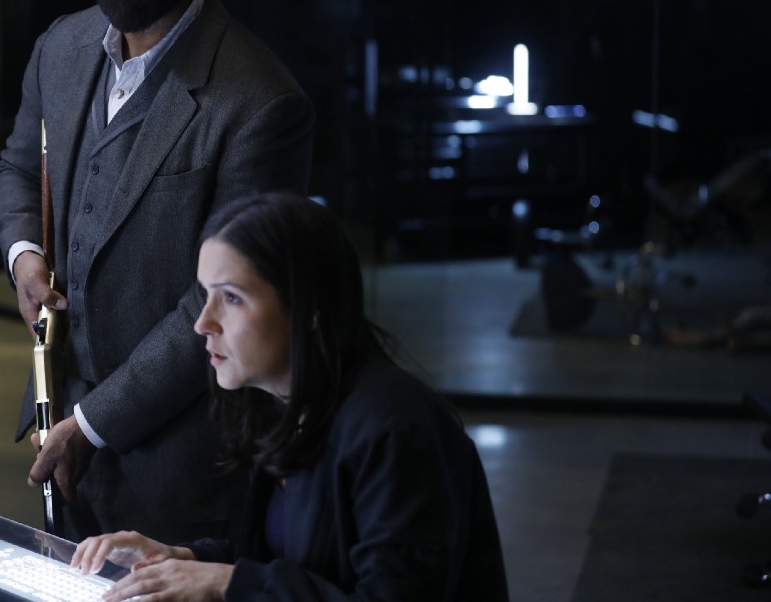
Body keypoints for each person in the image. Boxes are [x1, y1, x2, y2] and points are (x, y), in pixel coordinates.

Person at [0, 0, 315, 544]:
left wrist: (95, 423)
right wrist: (24, 256)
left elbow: (218, 304)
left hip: (183, 466)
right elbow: (18, 167)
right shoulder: (60, 48)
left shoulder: (261, 103)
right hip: (58, 426)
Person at [70, 192, 511, 601]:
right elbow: (287, 560)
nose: (203, 323)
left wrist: (227, 583)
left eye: (231, 298)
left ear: (309, 307)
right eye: (206, 295)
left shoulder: (396, 428)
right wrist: (182, 559)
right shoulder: (283, 404)